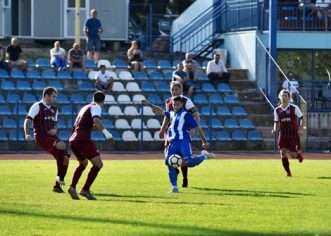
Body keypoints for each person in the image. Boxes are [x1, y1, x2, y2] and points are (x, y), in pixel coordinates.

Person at [141, 96, 215, 193]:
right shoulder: (171, 114)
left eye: (178, 104)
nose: (176, 106)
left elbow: (197, 127)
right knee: (168, 162)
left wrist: (204, 141)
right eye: (174, 104)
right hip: (173, 143)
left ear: (182, 105)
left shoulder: (186, 115)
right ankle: (174, 187)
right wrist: (148, 104)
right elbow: (161, 111)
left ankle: (204, 155)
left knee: (190, 163)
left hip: (183, 142)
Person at [159, 81, 209, 188]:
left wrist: (194, 129)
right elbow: (167, 117)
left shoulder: (186, 101)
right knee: (167, 154)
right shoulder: (168, 101)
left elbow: (196, 116)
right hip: (172, 132)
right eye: (172, 89)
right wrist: (162, 129)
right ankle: (174, 174)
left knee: (184, 158)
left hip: (184, 132)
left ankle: (184, 177)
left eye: (176, 89)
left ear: (180, 90)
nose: (174, 91)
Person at [67, 91, 113, 200]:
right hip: (82, 139)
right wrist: (107, 133)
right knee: (98, 164)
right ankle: (85, 189)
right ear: (103, 101)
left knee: (83, 163)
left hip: (73, 139)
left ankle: (72, 187)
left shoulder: (85, 107)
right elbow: (96, 121)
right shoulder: (96, 106)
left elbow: (80, 124)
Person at [23, 87, 70, 193]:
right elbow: (27, 120)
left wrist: (55, 130)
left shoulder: (54, 109)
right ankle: (60, 176)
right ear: (46, 96)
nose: (55, 99)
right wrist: (27, 133)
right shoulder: (37, 106)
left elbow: (55, 125)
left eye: (55, 97)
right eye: (53, 96)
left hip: (52, 137)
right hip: (42, 137)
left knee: (66, 160)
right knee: (62, 145)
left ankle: (57, 186)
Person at [272, 89, 304, 177]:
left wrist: (300, 128)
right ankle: (288, 173)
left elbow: (301, 117)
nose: (284, 97)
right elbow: (276, 121)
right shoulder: (277, 110)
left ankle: (299, 155)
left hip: (293, 134)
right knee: (282, 152)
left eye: (285, 96)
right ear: (280, 97)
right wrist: (275, 129)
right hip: (283, 134)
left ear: (289, 98)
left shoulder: (294, 108)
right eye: (282, 95)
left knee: (293, 155)